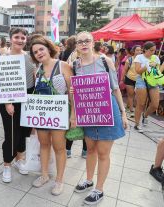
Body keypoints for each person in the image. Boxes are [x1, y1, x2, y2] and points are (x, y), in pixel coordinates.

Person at [72, 31, 127, 205]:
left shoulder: (105, 60)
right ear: (76, 46)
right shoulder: (75, 65)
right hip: (88, 113)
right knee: (90, 150)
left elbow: (116, 88)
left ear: (93, 42)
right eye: (80, 42)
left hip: (107, 112)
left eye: (87, 40)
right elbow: (74, 91)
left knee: (103, 153)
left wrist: (123, 113)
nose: (83, 44)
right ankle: (89, 180)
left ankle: (99, 189)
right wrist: (72, 92)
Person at [29, 35, 73, 195]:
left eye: (41, 49)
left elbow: (72, 92)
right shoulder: (38, 70)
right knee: (44, 145)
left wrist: (73, 115)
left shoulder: (63, 66)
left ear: (48, 48)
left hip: (59, 114)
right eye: (35, 52)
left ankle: (59, 180)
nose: (39, 53)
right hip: (42, 115)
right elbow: (37, 95)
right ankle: (44, 175)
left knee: (59, 147)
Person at [0, 27, 36, 183]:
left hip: (28, 97)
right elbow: (1, 80)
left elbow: (34, 76)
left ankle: (20, 159)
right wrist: (8, 102)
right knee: (11, 133)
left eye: (23, 37)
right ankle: (7, 164)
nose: (20, 40)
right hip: (10, 97)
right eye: (17, 37)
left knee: (24, 131)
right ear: (10, 38)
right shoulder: (4, 56)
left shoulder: (29, 56)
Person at [133, 41, 161, 133]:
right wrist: (147, 65)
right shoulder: (139, 57)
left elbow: (158, 71)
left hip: (153, 80)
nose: (153, 52)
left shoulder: (156, 58)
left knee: (155, 104)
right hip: (142, 80)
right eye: (151, 50)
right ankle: (137, 124)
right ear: (145, 49)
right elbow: (138, 71)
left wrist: (156, 67)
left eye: (154, 50)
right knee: (141, 104)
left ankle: (145, 115)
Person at [121, 45, 141, 118]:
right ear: (134, 51)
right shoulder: (129, 60)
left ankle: (135, 110)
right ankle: (131, 110)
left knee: (138, 96)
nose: (139, 52)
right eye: (137, 50)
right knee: (131, 95)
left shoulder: (143, 60)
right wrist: (121, 79)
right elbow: (125, 70)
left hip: (140, 80)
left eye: (140, 50)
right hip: (129, 78)